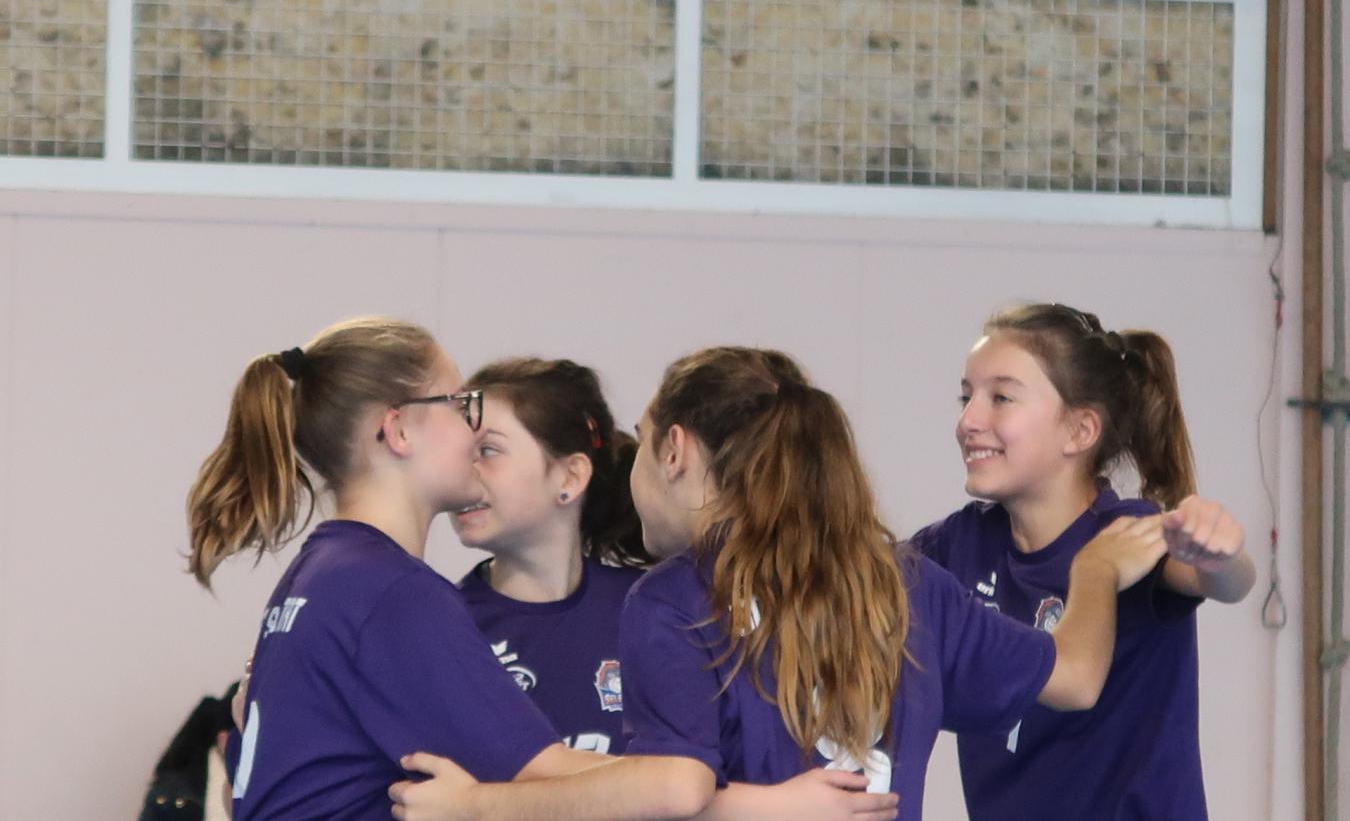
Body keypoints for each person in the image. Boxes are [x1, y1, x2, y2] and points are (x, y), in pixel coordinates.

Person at [391, 346, 1170, 821]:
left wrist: (480, 807)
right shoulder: (906, 583)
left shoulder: (674, 600)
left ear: (675, 451)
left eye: (645, 443)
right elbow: (1076, 677)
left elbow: (672, 793)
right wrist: (1096, 570)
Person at [196, 322, 894, 821]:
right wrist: (762, 807)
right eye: (459, 405)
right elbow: (574, 780)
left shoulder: (327, 573)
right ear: (399, 430)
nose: (473, 427)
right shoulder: (392, 594)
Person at [910, 303, 1256, 820]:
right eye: (967, 397)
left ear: (1079, 431)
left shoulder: (1124, 534)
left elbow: (1225, 581)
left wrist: (1220, 552)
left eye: (1000, 398)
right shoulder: (956, 546)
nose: (968, 422)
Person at [454, 358, 651, 755]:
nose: (461, 474)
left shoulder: (652, 611)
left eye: (488, 450)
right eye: (459, 454)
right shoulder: (445, 625)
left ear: (570, 477)